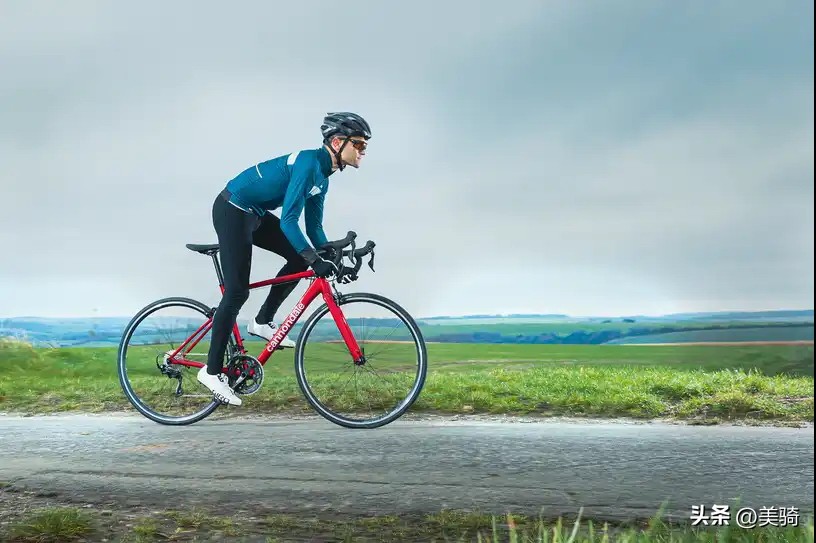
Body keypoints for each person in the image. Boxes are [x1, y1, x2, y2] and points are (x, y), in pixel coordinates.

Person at [197, 112, 372, 406]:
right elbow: (290, 222)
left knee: (298, 257)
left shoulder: (323, 178)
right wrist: (314, 258)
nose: (363, 151)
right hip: (233, 209)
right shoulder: (308, 164)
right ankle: (211, 372)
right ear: (337, 142)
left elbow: (313, 228)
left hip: (255, 213)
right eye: (359, 144)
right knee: (237, 292)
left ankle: (262, 321)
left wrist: (329, 254)